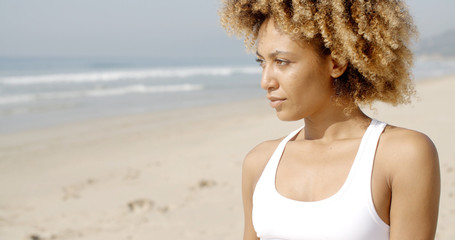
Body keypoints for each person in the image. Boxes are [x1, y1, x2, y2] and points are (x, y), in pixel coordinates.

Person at [219, 1, 440, 239]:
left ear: (336, 63)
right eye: (261, 62)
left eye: (281, 62)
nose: (266, 81)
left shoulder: (401, 155)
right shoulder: (259, 163)